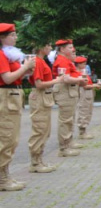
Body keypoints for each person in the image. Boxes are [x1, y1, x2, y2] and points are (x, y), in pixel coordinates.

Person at [1, 23, 36, 192]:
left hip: (12, 96)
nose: (16, 37)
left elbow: (15, 76)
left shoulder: (9, 55)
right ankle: (2, 178)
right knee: (6, 137)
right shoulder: (1, 55)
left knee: (11, 139)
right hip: (6, 96)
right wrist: (25, 67)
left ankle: (5, 175)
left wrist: (27, 70)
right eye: (12, 35)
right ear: (2, 37)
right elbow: (7, 78)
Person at [27, 42, 59, 173]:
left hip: (44, 96)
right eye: (48, 46)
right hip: (39, 95)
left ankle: (39, 160)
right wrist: (56, 81)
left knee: (45, 129)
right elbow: (38, 84)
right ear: (41, 47)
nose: (51, 48)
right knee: (40, 128)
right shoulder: (37, 61)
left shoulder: (41, 61)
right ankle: (35, 162)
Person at [52, 39, 87, 157]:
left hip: (69, 91)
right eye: (70, 47)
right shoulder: (62, 60)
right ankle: (64, 148)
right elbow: (65, 79)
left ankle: (68, 142)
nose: (72, 49)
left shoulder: (66, 60)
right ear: (62, 49)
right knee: (65, 120)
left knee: (69, 118)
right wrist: (80, 79)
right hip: (65, 91)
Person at [74, 56, 101, 140]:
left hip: (88, 93)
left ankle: (84, 130)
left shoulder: (83, 72)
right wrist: (95, 85)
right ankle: (82, 131)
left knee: (88, 111)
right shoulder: (79, 73)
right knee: (84, 110)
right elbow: (84, 86)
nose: (85, 65)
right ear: (78, 64)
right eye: (83, 63)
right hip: (84, 93)